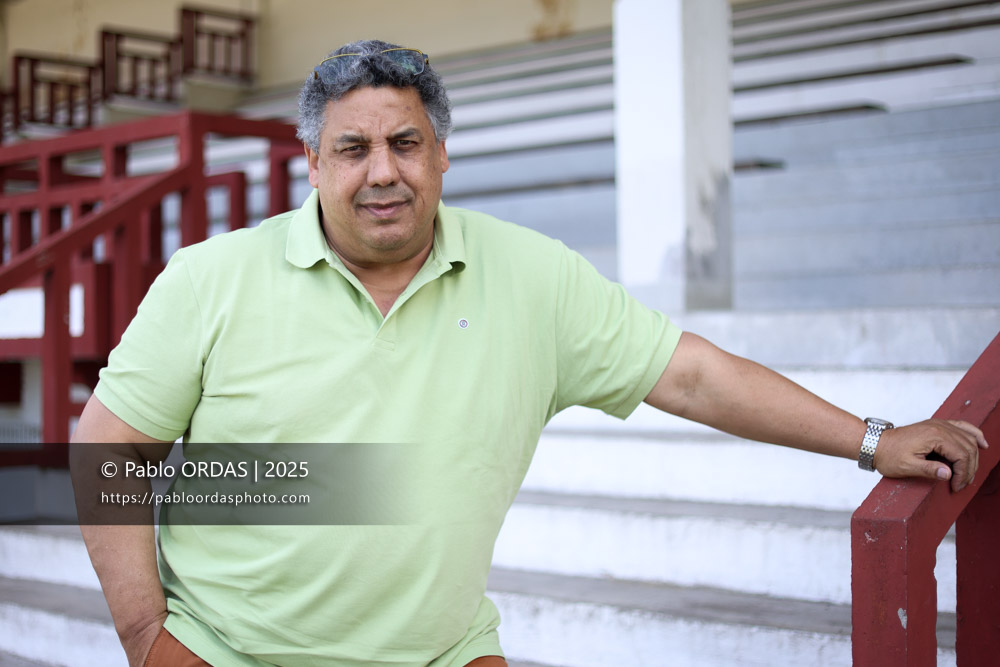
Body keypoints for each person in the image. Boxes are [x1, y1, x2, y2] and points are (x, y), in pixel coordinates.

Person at [70, 39, 988, 667]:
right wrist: (150, 636)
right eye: (352, 149)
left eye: (405, 143)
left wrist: (873, 440)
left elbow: (695, 375)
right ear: (312, 162)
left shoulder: (532, 276)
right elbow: (108, 445)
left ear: (440, 155)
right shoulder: (211, 278)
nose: (381, 171)